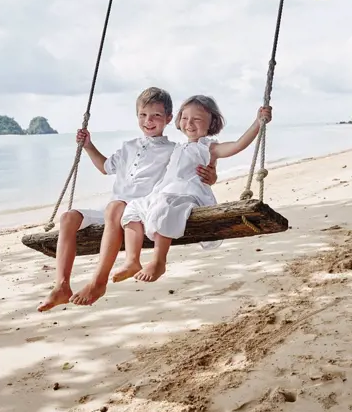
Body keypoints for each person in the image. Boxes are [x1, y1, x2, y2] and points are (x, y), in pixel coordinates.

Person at [37, 87, 217, 311]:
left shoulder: (174, 150)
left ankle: (98, 283)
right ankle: (62, 286)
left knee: (114, 207)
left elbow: (192, 170)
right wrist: (88, 146)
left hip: (141, 210)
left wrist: (212, 175)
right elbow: (105, 167)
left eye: (156, 116)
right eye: (143, 115)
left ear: (170, 119)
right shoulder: (128, 147)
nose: (148, 121)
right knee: (68, 217)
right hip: (115, 208)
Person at [113, 95, 272, 284]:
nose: (189, 123)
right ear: (178, 120)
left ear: (212, 122)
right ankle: (132, 260)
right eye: (185, 118)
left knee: (166, 205)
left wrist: (258, 122)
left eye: (197, 119)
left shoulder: (209, 148)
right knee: (133, 208)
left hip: (188, 195)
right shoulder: (177, 148)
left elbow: (237, 145)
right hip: (164, 192)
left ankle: (159, 261)